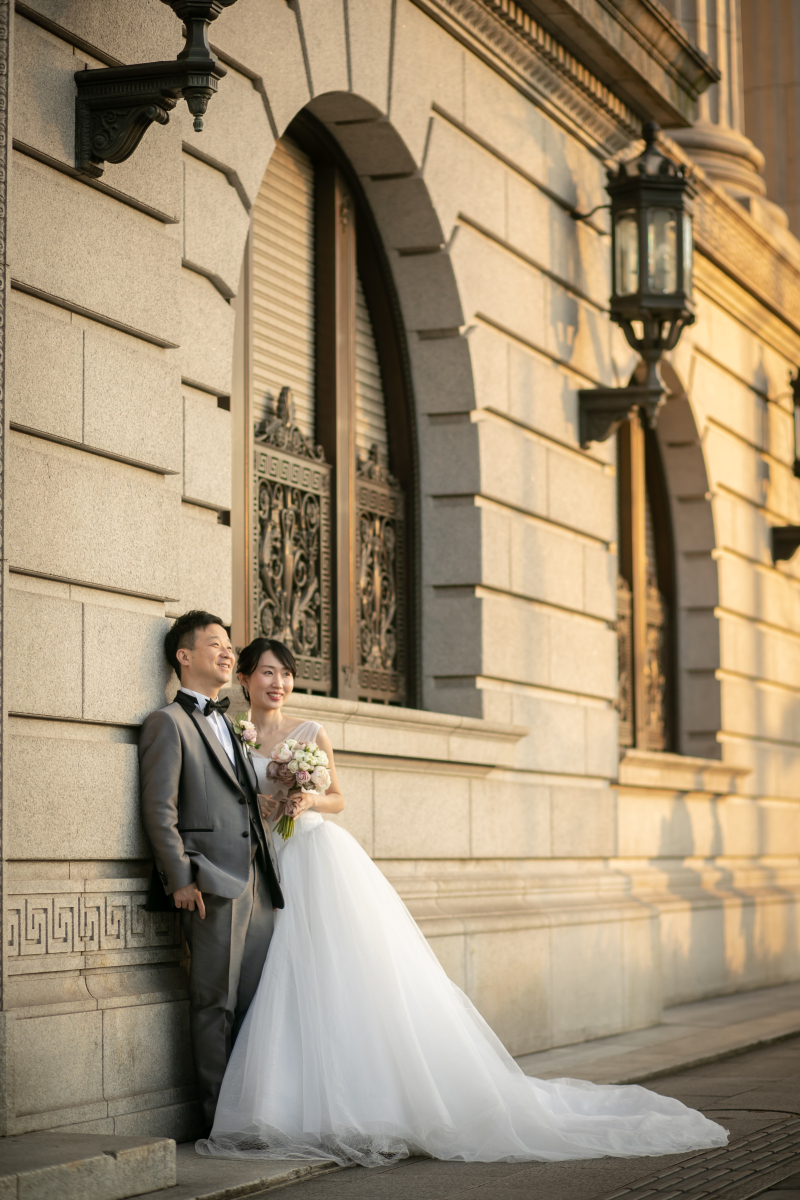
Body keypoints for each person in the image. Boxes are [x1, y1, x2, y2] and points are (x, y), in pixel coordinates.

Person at [198, 636, 728, 1168]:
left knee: (329, 971)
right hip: (263, 863)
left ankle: (360, 1106)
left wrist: (308, 797)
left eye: (286, 673)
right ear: (245, 679)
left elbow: (339, 797)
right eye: (267, 673)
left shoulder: (311, 732)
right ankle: (290, 1102)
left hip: (313, 857)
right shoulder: (233, 734)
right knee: (283, 978)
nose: (279, 683)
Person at [138, 612, 284, 1133]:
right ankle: (220, 1123)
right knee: (214, 1003)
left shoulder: (231, 722)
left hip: (258, 883)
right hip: (210, 883)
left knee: (255, 1004)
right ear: (184, 656)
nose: (228, 653)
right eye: (216, 644)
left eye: (230, 646)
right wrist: (180, 878)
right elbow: (160, 809)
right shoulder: (168, 723)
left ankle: (252, 1113)